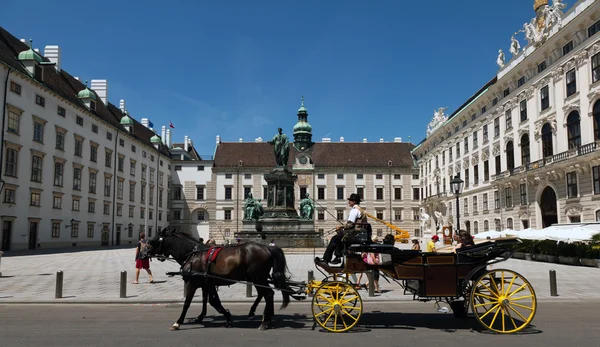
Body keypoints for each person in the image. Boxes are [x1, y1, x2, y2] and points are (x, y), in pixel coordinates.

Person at [320, 193, 367, 264]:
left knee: (334, 239)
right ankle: (337, 257)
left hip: (355, 234)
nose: (349, 202)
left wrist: (340, 227)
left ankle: (327, 259)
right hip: (360, 234)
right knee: (339, 236)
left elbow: (350, 224)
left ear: (354, 201)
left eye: (350, 201)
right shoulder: (360, 210)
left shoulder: (354, 210)